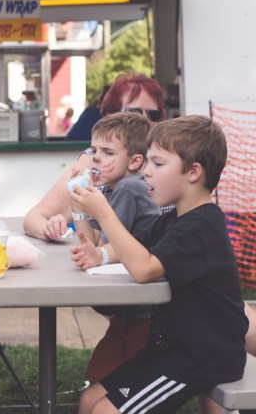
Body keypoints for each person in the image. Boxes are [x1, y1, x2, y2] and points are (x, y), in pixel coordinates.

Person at [71, 115, 248, 414]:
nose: (146, 171)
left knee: (104, 411)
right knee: (89, 400)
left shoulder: (201, 225)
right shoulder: (175, 218)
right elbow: (134, 246)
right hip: (169, 349)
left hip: (200, 357)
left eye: (158, 163)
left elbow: (143, 269)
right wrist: (100, 255)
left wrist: (103, 213)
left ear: (193, 172)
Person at [68, 112, 161, 384]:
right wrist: (77, 205)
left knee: (129, 383)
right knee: (97, 378)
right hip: (128, 309)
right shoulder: (112, 188)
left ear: (135, 162)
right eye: (94, 150)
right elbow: (90, 243)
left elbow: (102, 248)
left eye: (108, 152)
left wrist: (97, 251)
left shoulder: (129, 188)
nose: (96, 158)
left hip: (146, 311)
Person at [24, 73, 167, 242]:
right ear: (110, 115)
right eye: (133, 112)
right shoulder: (95, 163)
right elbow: (34, 218)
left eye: (153, 114)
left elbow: (107, 244)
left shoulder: (171, 161)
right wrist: (51, 229)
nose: (144, 120)